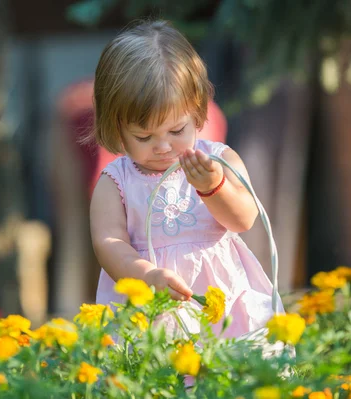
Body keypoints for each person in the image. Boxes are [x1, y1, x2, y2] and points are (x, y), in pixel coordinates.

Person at [88, 20, 283, 338]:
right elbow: (108, 243)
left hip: (223, 302)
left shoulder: (219, 160)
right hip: (151, 305)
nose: (163, 146)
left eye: (176, 131)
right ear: (117, 129)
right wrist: (145, 275)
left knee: (227, 375)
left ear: (196, 112)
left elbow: (245, 218)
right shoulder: (117, 181)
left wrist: (213, 187)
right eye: (144, 136)